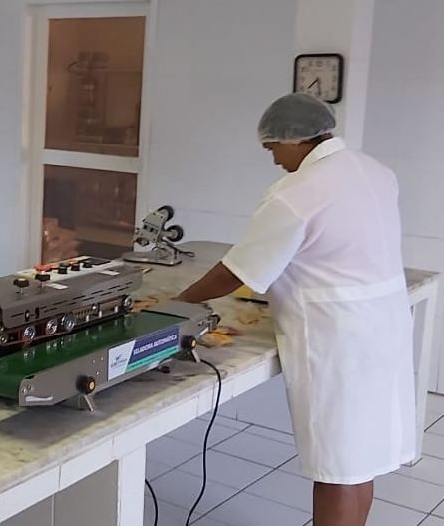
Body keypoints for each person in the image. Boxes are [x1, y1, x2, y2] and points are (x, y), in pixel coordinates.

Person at [174, 93, 415, 526]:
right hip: (384, 327)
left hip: (338, 340)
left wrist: (179, 302)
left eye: (272, 148)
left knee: (337, 468)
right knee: (361, 461)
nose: (273, 160)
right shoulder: (374, 171)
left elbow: (236, 271)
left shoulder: (297, 192)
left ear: (294, 139)